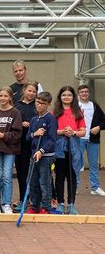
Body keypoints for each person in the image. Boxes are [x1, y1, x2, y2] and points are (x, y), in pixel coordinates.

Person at [0, 86, 22, 214]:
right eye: (1, 95)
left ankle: (7, 204)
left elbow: (17, 134)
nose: (3, 98)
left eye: (5, 96)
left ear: (10, 97)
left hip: (10, 150)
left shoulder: (15, 112)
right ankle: (2, 204)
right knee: (0, 176)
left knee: (7, 176)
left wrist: (4, 135)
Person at [53, 86, 85, 215]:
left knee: (72, 176)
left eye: (69, 95)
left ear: (73, 97)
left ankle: (71, 204)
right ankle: (60, 203)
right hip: (59, 147)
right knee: (59, 176)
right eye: (64, 95)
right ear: (60, 97)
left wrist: (74, 132)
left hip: (73, 148)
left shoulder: (78, 112)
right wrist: (61, 131)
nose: (66, 97)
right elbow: (51, 131)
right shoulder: (55, 112)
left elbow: (83, 131)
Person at [26, 92, 57, 214]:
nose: (39, 105)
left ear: (48, 104)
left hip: (46, 156)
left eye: (43, 103)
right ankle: (35, 206)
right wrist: (35, 133)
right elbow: (28, 137)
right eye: (37, 102)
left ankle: (46, 207)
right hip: (34, 156)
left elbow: (52, 139)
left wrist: (41, 150)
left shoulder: (51, 119)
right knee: (32, 182)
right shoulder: (34, 120)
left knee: (45, 183)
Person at [13, 81, 38, 212]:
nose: (31, 94)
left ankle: (35, 198)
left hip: (35, 144)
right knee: (21, 172)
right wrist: (21, 123)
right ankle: (23, 198)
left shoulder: (37, 106)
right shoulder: (17, 106)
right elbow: (12, 122)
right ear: (24, 91)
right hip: (21, 144)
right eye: (29, 91)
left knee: (35, 171)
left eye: (34, 92)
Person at [78, 85, 105, 196]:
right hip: (79, 139)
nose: (84, 93)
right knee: (77, 164)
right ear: (78, 93)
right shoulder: (75, 106)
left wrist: (98, 127)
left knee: (93, 164)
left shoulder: (94, 106)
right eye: (82, 92)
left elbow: (104, 120)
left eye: (86, 92)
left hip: (93, 139)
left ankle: (95, 187)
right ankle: (74, 187)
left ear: (88, 93)